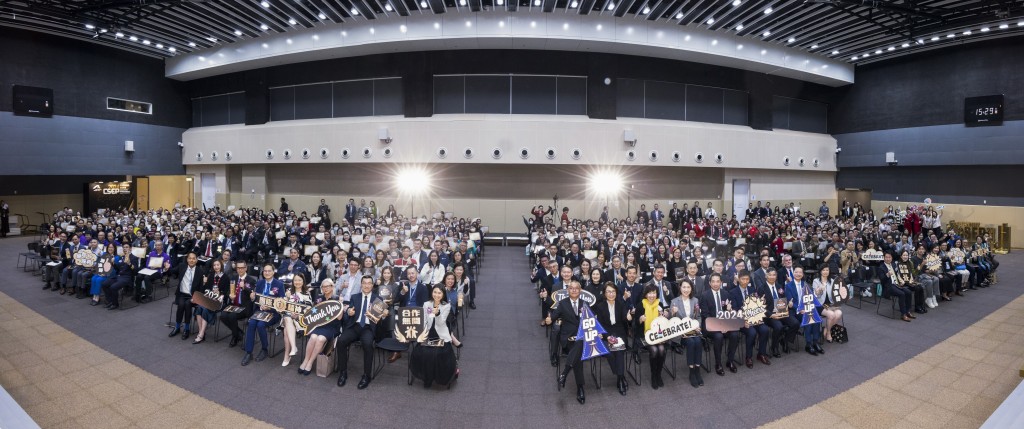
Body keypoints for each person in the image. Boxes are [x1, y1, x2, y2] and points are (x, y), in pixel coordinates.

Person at [337, 275, 385, 389]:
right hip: (355, 326)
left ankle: (366, 376)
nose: (367, 285)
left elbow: (379, 320)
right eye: (364, 283)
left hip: (368, 327)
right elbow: (349, 311)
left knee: (368, 344)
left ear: (372, 285)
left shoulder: (378, 299)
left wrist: (382, 315)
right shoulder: (355, 297)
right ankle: (343, 372)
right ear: (361, 285)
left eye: (369, 283)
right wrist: (349, 311)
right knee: (341, 341)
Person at [546, 280, 587, 404]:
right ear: (568, 290)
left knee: (579, 345)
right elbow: (553, 317)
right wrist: (549, 320)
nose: (574, 290)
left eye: (576, 288)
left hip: (581, 338)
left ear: (580, 290)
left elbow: (592, 319)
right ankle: (580, 388)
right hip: (568, 338)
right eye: (571, 288)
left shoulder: (585, 303)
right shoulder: (563, 303)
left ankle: (564, 374)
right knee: (578, 354)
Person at [411, 285, 459, 388]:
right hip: (429, 333)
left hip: (441, 335)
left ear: (443, 294)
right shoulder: (427, 304)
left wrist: (437, 314)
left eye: (439, 293)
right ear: (432, 293)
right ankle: (427, 378)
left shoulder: (446, 306)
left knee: (437, 354)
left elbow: (441, 323)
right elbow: (424, 321)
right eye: (435, 292)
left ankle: (437, 377)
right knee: (421, 352)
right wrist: (422, 335)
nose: (436, 295)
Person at [242, 263, 285, 365]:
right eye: (265, 271)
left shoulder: (279, 284)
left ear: (273, 272)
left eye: (269, 271)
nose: (267, 273)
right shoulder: (260, 283)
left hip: (273, 313)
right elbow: (256, 299)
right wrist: (253, 298)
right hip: (260, 310)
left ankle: (264, 349)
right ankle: (248, 352)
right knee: (252, 323)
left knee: (260, 325)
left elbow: (282, 304)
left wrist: (270, 307)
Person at [297, 279, 342, 376]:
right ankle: (306, 360)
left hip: (332, 327)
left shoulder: (337, 299)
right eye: (323, 286)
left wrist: (340, 305)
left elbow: (339, 318)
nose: (326, 288)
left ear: (332, 287)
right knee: (313, 337)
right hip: (319, 325)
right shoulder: (319, 298)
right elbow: (313, 313)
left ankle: (310, 362)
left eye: (328, 286)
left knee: (320, 339)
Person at [593, 281, 631, 395]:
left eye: (613, 291)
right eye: (608, 292)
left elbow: (624, 317)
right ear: (604, 293)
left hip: (619, 332)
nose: (611, 294)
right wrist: (607, 336)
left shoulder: (620, 304)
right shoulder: (600, 306)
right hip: (606, 333)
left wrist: (628, 317)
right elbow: (599, 325)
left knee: (618, 351)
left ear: (616, 292)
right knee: (609, 352)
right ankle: (621, 375)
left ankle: (620, 378)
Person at [700, 273, 741, 375]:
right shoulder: (704, 295)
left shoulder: (726, 294)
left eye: (718, 281)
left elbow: (730, 312)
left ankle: (730, 361)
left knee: (735, 334)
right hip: (711, 325)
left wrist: (730, 310)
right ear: (709, 283)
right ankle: (718, 363)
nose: (715, 284)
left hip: (725, 323)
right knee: (718, 336)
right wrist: (719, 325)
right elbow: (705, 315)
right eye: (713, 281)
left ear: (721, 282)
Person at [669, 279, 704, 388]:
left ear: (691, 289)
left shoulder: (695, 300)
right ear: (680, 288)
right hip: (681, 332)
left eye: (688, 287)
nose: (686, 289)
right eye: (684, 287)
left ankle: (697, 369)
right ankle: (692, 372)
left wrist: (698, 325)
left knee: (698, 341)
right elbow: (671, 321)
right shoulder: (674, 301)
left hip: (693, 330)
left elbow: (698, 317)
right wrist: (673, 313)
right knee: (691, 343)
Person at [734, 270, 771, 368]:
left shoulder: (752, 290)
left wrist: (761, 302)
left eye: (747, 279)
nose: (745, 281)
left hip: (754, 318)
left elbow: (757, 306)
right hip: (742, 320)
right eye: (743, 279)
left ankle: (761, 354)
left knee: (765, 329)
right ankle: (748, 357)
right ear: (738, 279)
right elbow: (735, 310)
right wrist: (743, 321)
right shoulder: (733, 292)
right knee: (752, 332)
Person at [787, 266, 825, 355]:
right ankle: (808, 344)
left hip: (807, 308)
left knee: (816, 318)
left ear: (802, 274)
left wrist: (817, 291)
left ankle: (815, 342)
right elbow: (790, 301)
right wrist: (800, 309)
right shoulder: (788, 286)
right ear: (793, 273)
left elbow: (812, 296)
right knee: (808, 319)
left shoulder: (805, 284)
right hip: (796, 310)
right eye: (796, 272)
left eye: (800, 272)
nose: (798, 274)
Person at [638, 284, 669, 389]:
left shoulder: (659, 304)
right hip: (645, 335)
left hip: (659, 334)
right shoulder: (641, 305)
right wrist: (640, 320)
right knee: (655, 351)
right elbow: (635, 325)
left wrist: (663, 317)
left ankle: (658, 374)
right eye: (649, 293)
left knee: (661, 349)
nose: (652, 295)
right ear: (646, 294)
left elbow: (663, 323)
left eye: (654, 293)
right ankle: (653, 376)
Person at [169, 252, 205, 340]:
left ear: (196, 260)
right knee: (181, 305)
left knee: (187, 304)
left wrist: (196, 297)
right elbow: (172, 271)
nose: (191, 260)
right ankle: (177, 327)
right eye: (190, 258)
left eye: (193, 258)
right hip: (182, 293)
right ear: (187, 259)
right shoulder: (182, 266)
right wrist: (167, 268)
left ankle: (187, 328)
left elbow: (201, 288)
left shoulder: (200, 271)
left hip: (193, 296)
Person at [221, 260, 255, 347]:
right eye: (238, 268)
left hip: (244, 307)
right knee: (223, 315)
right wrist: (230, 295)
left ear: (246, 268)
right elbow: (229, 291)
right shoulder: (233, 278)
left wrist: (244, 287)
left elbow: (252, 294)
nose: (240, 270)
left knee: (232, 316)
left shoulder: (251, 280)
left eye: (242, 268)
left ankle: (235, 336)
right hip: (233, 305)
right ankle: (238, 332)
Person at [194, 258, 229, 344]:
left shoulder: (226, 277)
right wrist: (204, 283)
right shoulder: (211, 275)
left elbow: (226, 293)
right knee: (198, 308)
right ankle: (201, 331)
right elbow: (205, 289)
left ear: (221, 266)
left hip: (220, 301)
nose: (216, 267)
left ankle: (201, 334)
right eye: (214, 265)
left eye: (218, 265)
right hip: (209, 299)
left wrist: (219, 293)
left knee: (205, 309)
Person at [281, 275, 312, 366]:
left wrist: (298, 315)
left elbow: (309, 309)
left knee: (286, 330)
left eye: (299, 280)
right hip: (288, 317)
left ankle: (287, 355)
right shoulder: (289, 291)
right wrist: (287, 298)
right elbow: (281, 307)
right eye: (295, 280)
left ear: (303, 281)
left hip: (300, 319)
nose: (297, 282)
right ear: (293, 281)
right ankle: (293, 347)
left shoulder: (306, 293)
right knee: (287, 318)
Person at [879, 252, 914, 322]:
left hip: (897, 284)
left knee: (908, 292)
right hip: (888, 287)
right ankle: (903, 314)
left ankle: (908, 311)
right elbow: (882, 280)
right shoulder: (881, 267)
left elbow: (898, 274)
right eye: (886, 257)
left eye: (889, 257)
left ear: (892, 258)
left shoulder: (893, 264)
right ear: (883, 258)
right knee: (902, 294)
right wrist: (887, 275)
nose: (888, 259)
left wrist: (901, 281)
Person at [813, 267, 844, 343]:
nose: (825, 272)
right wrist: (819, 290)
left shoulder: (832, 281)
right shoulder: (816, 281)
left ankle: (827, 329)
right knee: (831, 315)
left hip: (830, 304)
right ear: (820, 271)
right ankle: (829, 333)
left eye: (827, 270)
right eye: (823, 270)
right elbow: (815, 296)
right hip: (820, 304)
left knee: (839, 313)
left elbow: (835, 294)